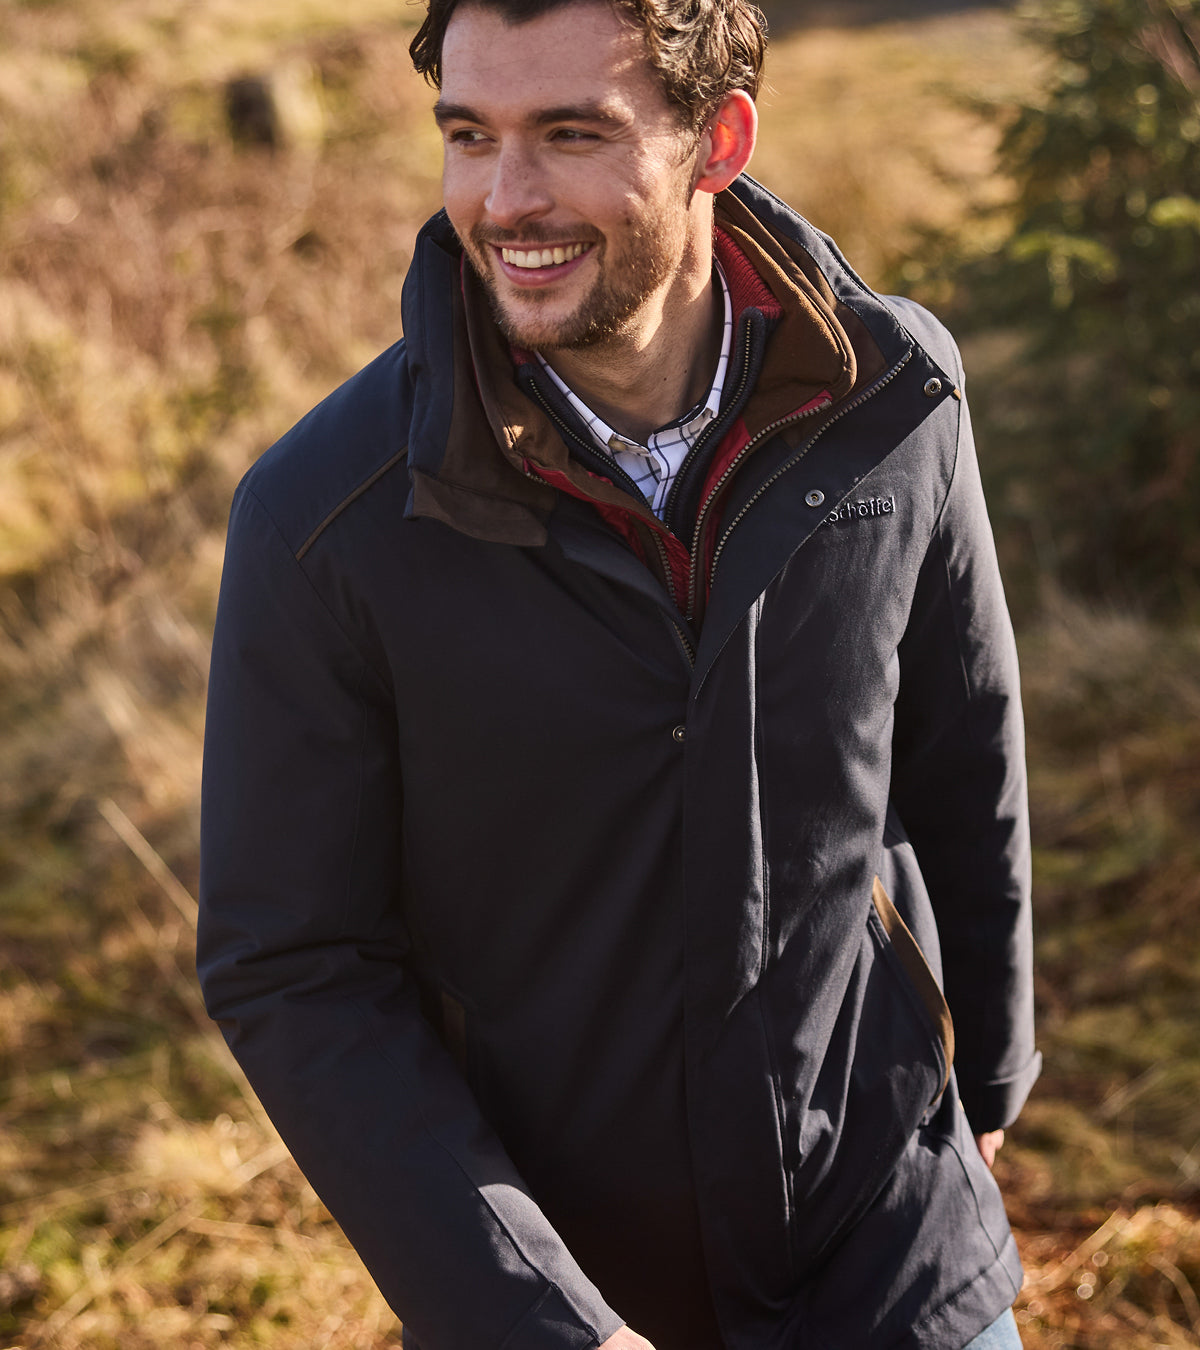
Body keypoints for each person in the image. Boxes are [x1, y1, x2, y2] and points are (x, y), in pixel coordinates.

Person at [196, 0, 1041, 1344]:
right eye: (467, 136)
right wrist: (536, 1315)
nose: (504, 199)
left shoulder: (898, 401)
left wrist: (987, 1084)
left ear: (720, 139)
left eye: (569, 134)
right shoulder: (327, 523)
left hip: (898, 1246)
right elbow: (293, 965)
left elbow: (963, 750)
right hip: (569, 1293)